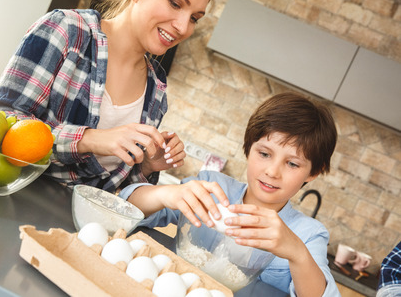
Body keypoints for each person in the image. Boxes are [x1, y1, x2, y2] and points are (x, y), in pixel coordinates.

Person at [119, 92, 340, 296]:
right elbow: (125, 208)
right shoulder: (211, 186)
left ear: (313, 173)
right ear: (248, 147)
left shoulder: (308, 234)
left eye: (292, 163)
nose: (272, 172)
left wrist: (297, 253)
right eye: (264, 153)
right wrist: (165, 195)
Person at [0, 0, 212, 192]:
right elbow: (2, 122)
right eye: (175, 3)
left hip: (75, 230)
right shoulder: (67, 30)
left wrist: (148, 165)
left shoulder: (156, 88)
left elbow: (112, 190)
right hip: (12, 198)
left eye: (194, 18)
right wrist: (88, 140)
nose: (183, 27)